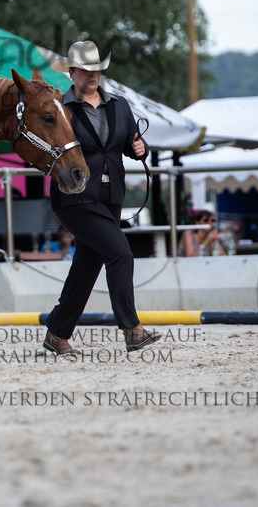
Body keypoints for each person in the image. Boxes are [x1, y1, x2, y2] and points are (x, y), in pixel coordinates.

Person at [42, 40, 160, 356]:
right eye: (84, 69)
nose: (92, 74)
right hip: (74, 196)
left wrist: (142, 149)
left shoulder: (119, 105)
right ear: (71, 73)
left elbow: (131, 143)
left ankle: (56, 333)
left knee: (87, 264)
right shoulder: (60, 109)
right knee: (120, 252)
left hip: (110, 196)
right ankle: (132, 330)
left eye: (96, 68)